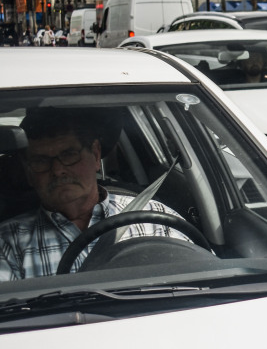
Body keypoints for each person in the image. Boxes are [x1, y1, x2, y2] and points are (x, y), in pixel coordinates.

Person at [0, 109, 189, 280]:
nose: (57, 170)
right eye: (41, 160)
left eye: (69, 155)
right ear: (28, 172)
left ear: (96, 155)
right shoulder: (8, 243)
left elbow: (203, 283)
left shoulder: (154, 218)